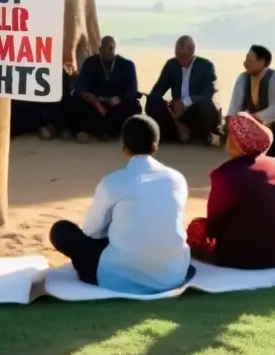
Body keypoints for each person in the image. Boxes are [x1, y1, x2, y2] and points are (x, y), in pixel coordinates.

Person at [48, 115, 194, 294]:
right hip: (173, 275)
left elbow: (92, 231)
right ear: (156, 146)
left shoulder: (113, 182)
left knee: (61, 231)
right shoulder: (177, 179)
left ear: (125, 148)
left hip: (118, 278)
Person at [187, 112, 275, 270]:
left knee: (196, 227)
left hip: (244, 259)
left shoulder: (225, 174)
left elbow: (213, 226)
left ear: (234, 141)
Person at [145, 35, 221, 144]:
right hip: (177, 114)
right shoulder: (171, 65)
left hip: (195, 111)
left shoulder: (206, 66)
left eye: (183, 55)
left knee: (206, 106)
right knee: (152, 101)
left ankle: (198, 137)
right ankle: (174, 133)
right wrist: (169, 106)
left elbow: (207, 94)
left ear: (192, 51)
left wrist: (185, 102)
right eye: (177, 55)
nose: (180, 58)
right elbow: (157, 91)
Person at [65, 36, 142, 142]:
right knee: (76, 102)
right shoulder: (90, 63)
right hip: (95, 104)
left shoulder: (127, 65)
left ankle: (105, 131)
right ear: (100, 49)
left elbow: (132, 90)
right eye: (104, 48)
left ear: (114, 49)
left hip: (117, 104)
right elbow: (80, 87)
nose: (107, 51)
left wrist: (119, 99)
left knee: (133, 107)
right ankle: (100, 131)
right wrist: (94, 101)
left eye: (110, 48)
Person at [225, 45, 275, 125]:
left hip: (270, 125)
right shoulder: (243, 78)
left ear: (263, 62)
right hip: (246, 125)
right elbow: (235, 105)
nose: (245, 64)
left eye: (250, 61)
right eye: (246, 60)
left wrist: (255, 117)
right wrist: (230, 119)